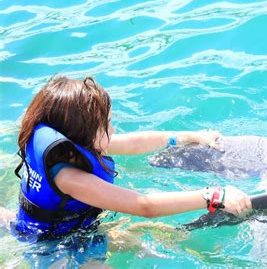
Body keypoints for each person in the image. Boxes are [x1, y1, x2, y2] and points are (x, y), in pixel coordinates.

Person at [11, 75, 252, 242]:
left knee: (150, 238)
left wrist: (186, 136)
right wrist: (213, 196)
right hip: (53, 246)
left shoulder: (75, 148)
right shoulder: (69, 178)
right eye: (106, 125)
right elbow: (144, 205)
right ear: (80, 134)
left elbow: (135, 142)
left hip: (73, 228)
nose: (113, 130)